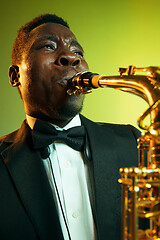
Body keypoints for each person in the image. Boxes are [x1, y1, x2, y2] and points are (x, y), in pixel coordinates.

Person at [0, 14, 141, 240]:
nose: (69, 57)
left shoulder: (134, 142)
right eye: (49, 46)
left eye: (78, 52)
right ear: (16, 75)